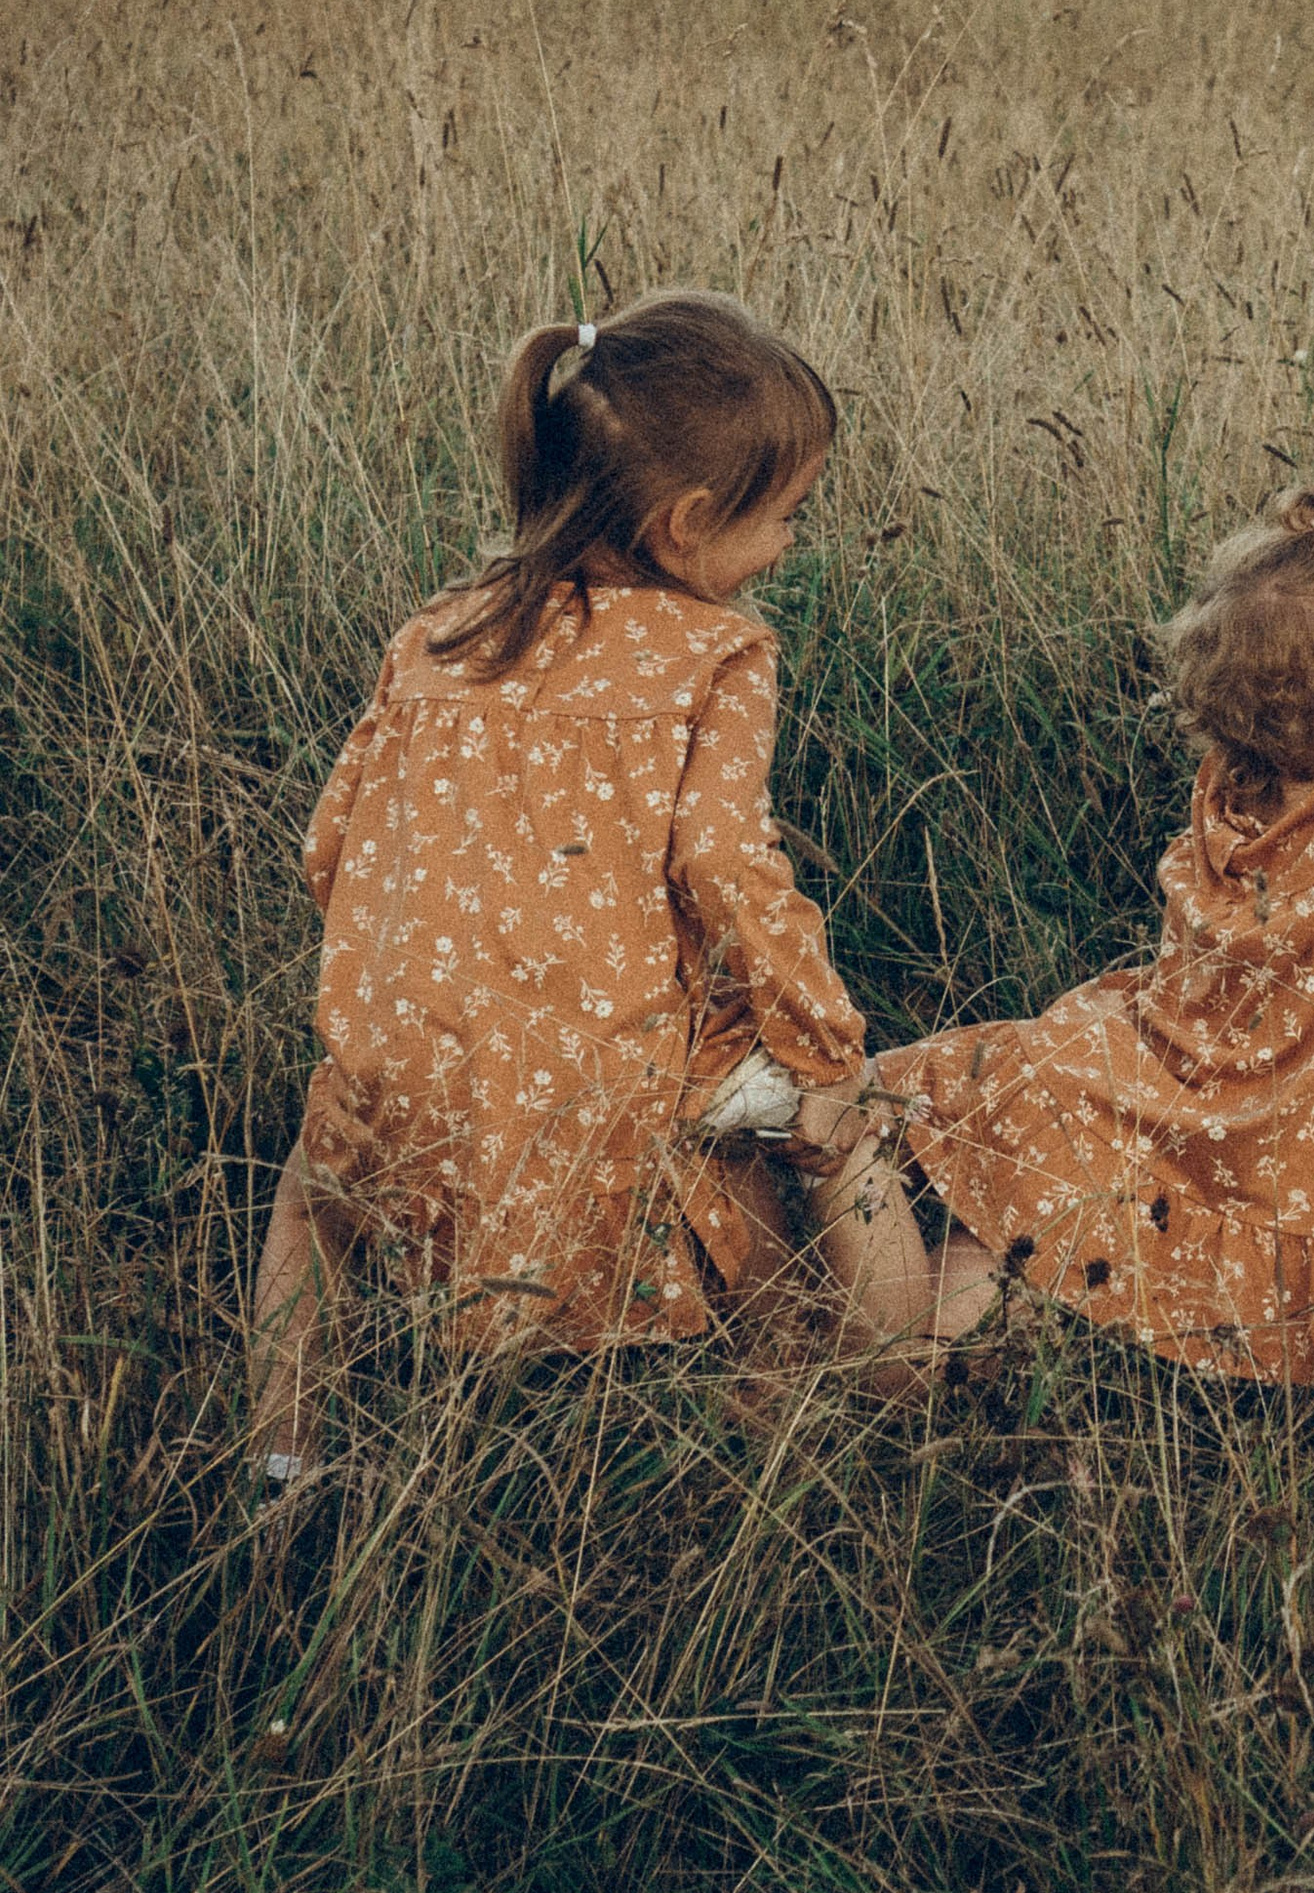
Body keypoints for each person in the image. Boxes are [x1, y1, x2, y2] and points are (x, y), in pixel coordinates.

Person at [248, 290, 949, 1487]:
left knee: (312, 1199)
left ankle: (284, 1452)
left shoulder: (438, 637)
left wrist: (422, 987)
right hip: (614, 1065)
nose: (789, 543)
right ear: (687, 526)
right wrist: (821, 1044)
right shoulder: (715, 654)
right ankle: (814, 1405)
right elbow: (726, 868)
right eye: (786, 516)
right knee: (787, 1133)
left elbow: (331, 845)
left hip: (416, 1044)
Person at [872, 365, 1314, 1387]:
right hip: (1308, 1151)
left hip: (1187, 1083)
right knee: (1061, 1207)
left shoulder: (1228, 789)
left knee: (1014, 1192)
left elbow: (1306, 598)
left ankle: (905, 1338)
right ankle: (913, 1357)